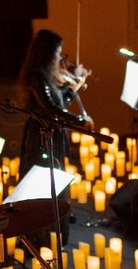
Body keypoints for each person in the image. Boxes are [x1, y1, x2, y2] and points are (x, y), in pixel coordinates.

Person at [16, 29, 92, 180]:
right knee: (42, 178)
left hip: (51, 133)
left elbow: (60, 103)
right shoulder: (36, 77)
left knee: (54, 175)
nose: (60, 58)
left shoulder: (46, 75)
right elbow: (50, 109)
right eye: (58, 53)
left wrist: (72, 89)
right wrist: (80, 121)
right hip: (41, 135)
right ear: (47, 54)